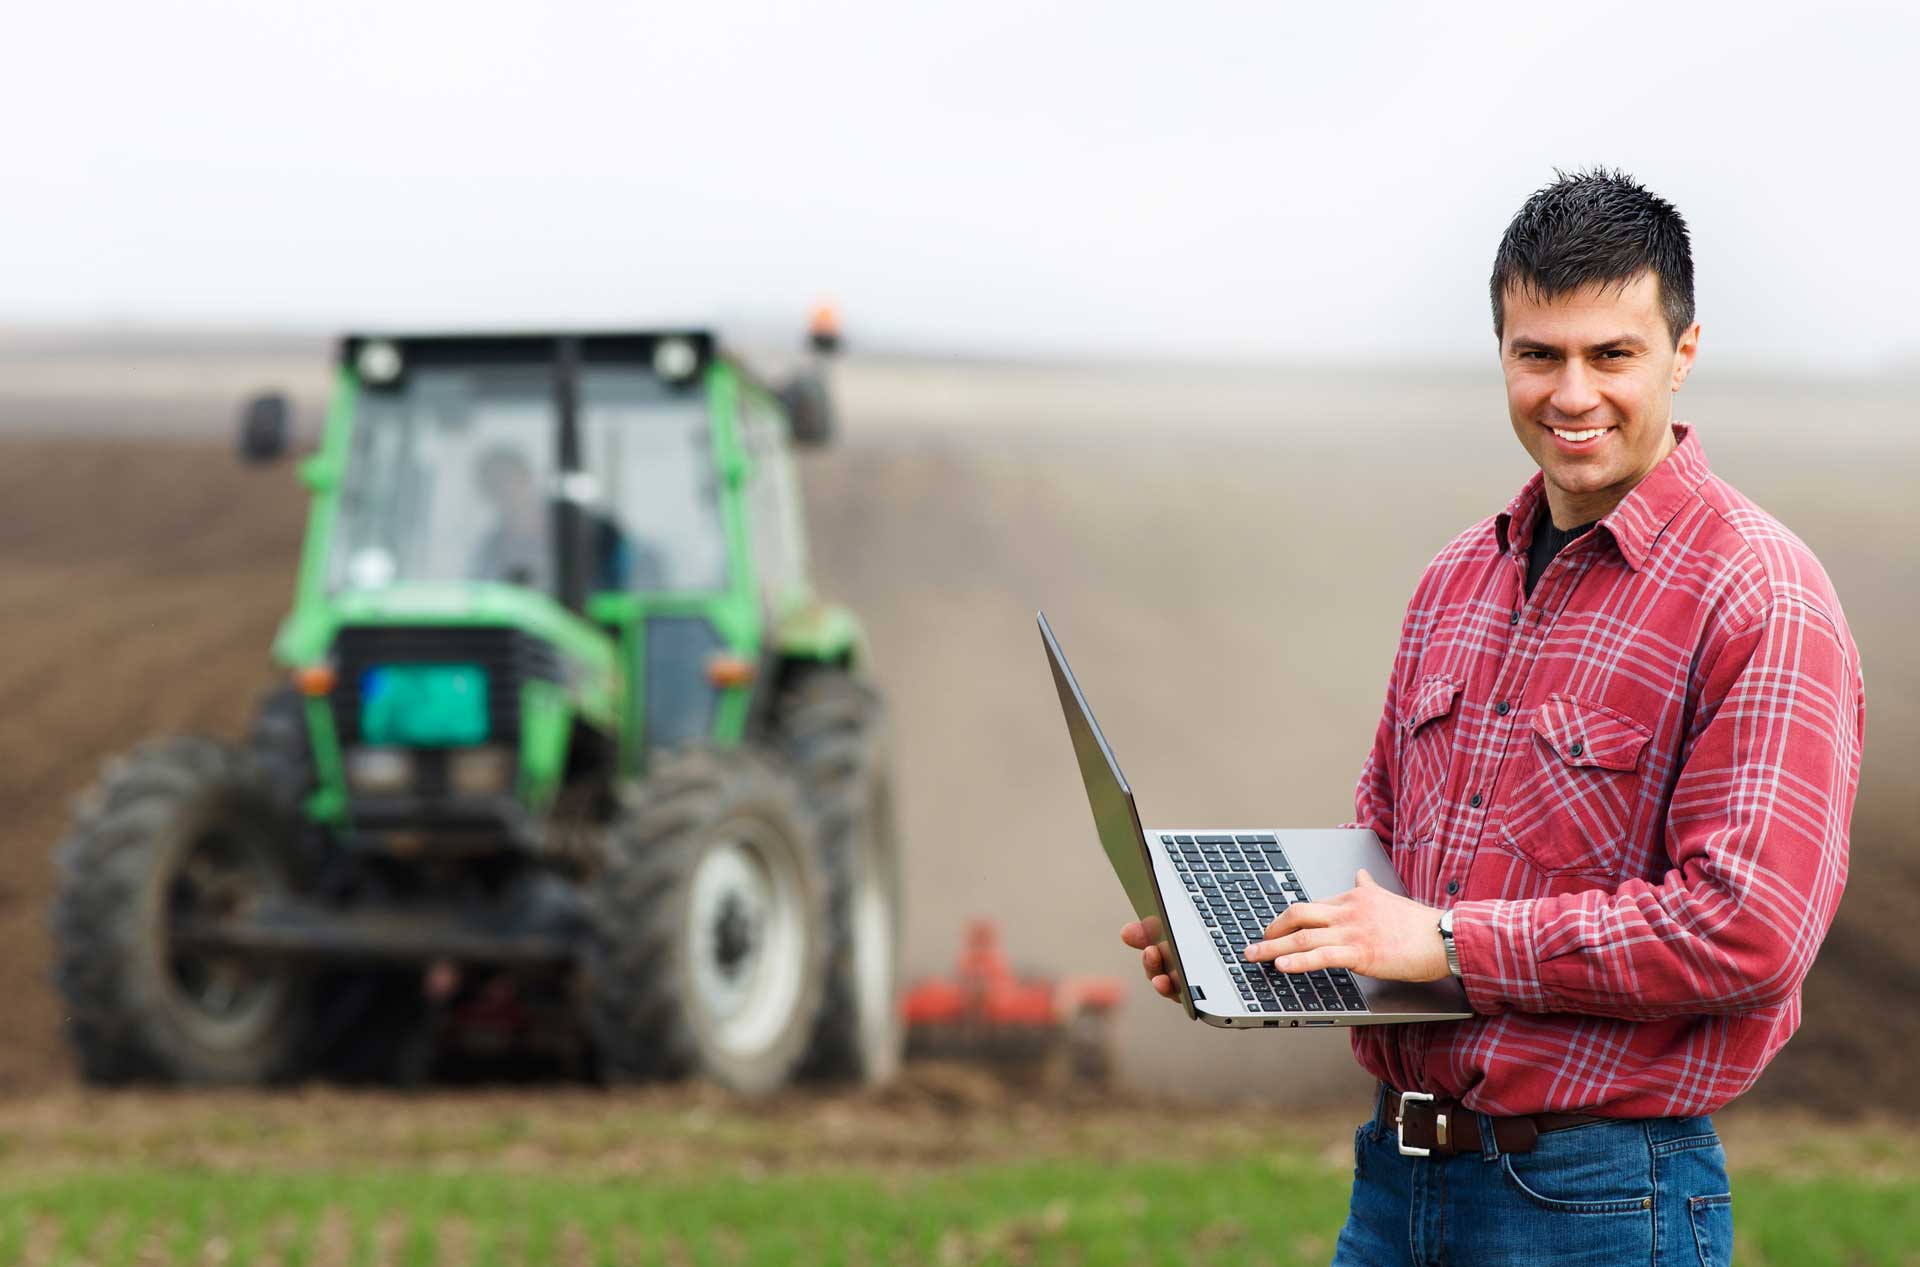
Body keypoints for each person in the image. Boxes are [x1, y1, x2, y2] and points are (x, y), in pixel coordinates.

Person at [1120, 169, 1863, 1265]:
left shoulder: (1758, 596)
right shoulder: (1454, 583)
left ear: (1683, 351)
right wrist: (1257, 951)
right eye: (1537, 354)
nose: (1572, 394)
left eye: (1611, 354)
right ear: (1501, 354)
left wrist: (1450, 941)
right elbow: (1390, 874)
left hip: (1600, 1205)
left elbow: (1746, 929)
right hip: (1395, 1188)